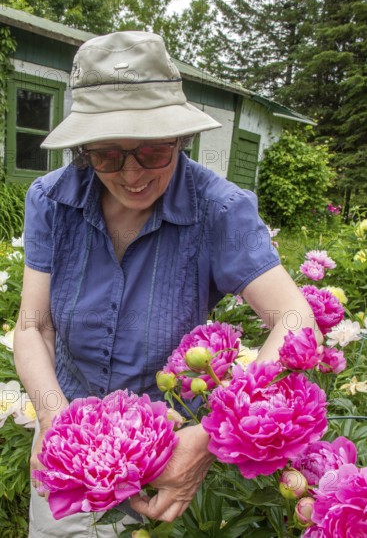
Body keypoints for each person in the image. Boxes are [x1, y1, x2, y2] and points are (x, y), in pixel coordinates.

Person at [13, 31, 321, 538]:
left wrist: (207, 437)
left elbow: (295, 319)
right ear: (84, 148)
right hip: (65, 427)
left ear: (180, 138)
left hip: (170, 451)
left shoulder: (219, 209)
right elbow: (34, 325)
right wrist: (56, 425)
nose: (131, 174)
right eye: (107, 155)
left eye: (153, 152)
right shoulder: (51, 200)